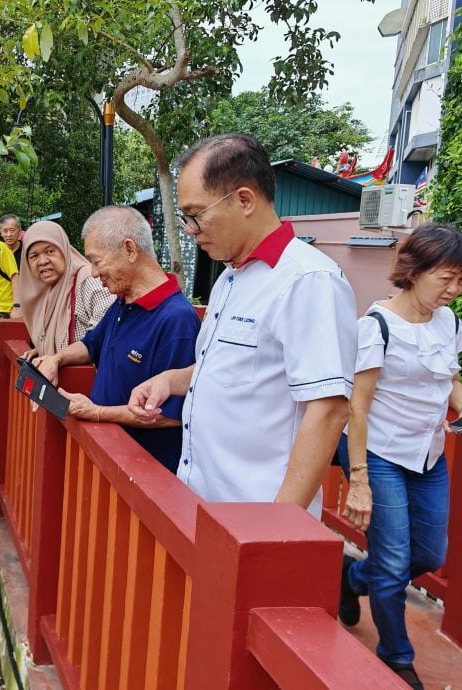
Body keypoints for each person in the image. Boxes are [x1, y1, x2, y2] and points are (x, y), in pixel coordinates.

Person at [128, 133, 357, 516]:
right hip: (202, 504)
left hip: (253, 520)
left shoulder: (308, 280)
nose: (189, 228)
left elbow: (329, 407)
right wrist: (172, 380)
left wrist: (275, 525)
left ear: (244, 200)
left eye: (195, 214)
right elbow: (233, 369)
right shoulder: (231, 278)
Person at [336, 224, 462, 690]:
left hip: (428, 455)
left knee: (430, 553)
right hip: (382, 454)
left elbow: (448, 379)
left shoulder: (449, 322)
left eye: (460, 280)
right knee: (392, 565)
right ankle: (397, 656)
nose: (454, 290)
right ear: (415, 271)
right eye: (446, 278)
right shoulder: (377, 326)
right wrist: (361, 480)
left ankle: (352, 578)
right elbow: (357, 406)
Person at [33, 206, 200, 472]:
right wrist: (57, 358)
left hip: (144, 472)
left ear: (130, 250)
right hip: (110, 461)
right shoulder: (123, 302)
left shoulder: (176, 319)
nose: (94, 272)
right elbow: (91, 344)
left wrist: (97, 412)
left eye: (97, 261)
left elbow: (169, 415)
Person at [20, 220, 114, 357]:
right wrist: (45, 350)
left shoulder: (89, 280)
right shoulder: (48, 290)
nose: (42, 261)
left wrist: (59, 358)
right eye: (34, 256)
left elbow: (105, 333)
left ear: (64, 250)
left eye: (50, 251)